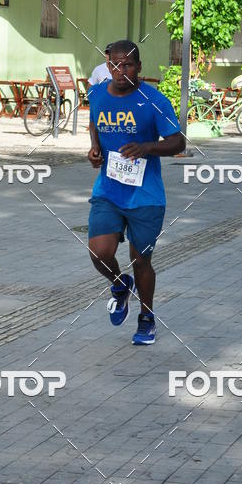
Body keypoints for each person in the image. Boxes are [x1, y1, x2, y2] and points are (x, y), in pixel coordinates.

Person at [87, 40, 185, 345]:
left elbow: (178, 142)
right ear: (108, 65)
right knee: (99, 252)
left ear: (139, 67)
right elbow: (94, 122)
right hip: (108, 191)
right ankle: (119, 284)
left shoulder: (154, 100)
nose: (120, 71)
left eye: (127, 64)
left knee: (141, 261)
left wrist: (147, 147)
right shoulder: (97, 93)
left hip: (145, 196)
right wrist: (94, 148)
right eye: (115, 64)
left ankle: (146, 317)